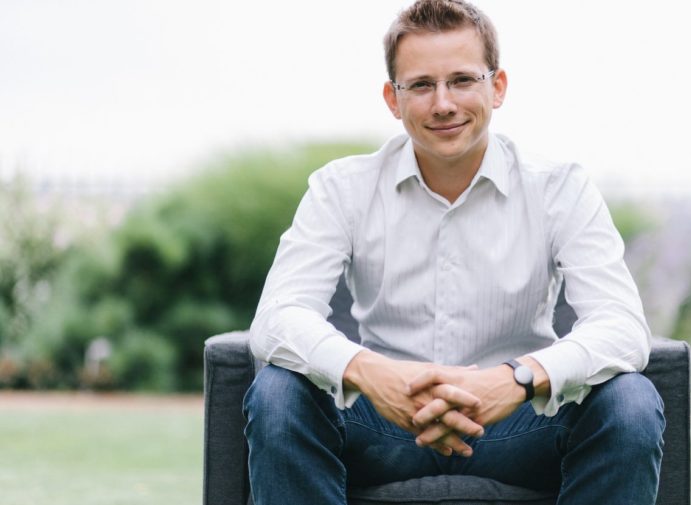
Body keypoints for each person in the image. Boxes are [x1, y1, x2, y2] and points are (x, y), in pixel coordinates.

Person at [242, 0, 665, 503]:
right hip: (382, 423)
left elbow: (622, 326)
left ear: (497, 87)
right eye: (421, 85)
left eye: (462, 80)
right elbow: (278, 317)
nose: (443, 103)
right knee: (278, 394)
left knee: (631, 402)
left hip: (518, 425)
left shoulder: (560, 188)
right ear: (393, 99)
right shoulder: (341, 188)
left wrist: (516, 379)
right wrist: (374, 374)